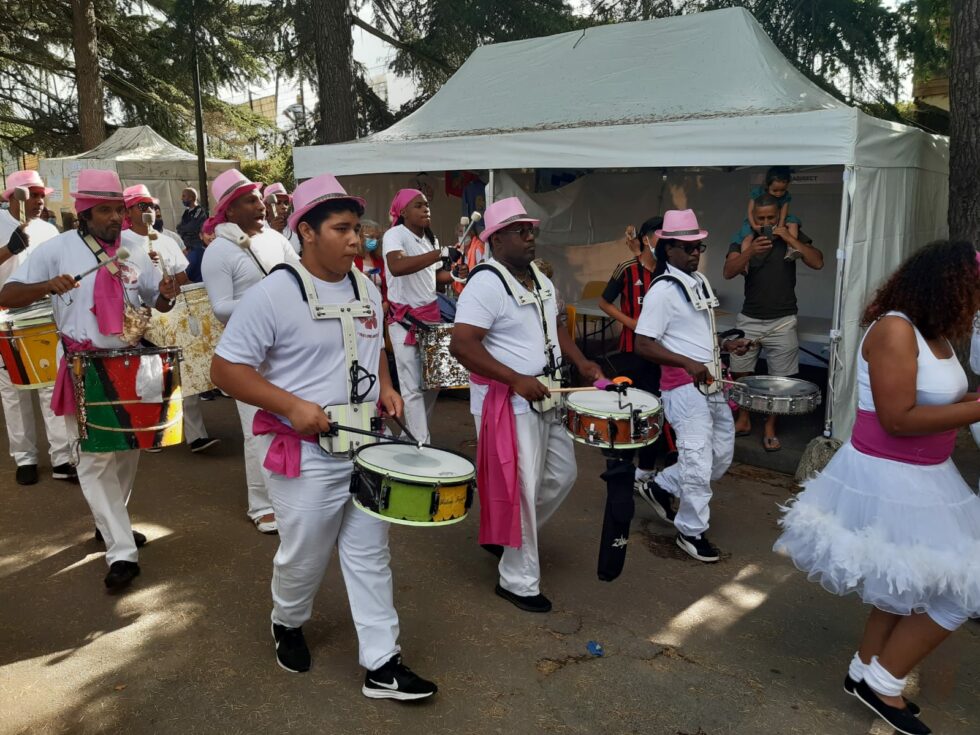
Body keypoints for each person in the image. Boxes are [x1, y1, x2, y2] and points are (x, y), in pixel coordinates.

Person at [210, 173, 437, 701]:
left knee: (370, 554)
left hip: (364, 447)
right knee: (304, 555)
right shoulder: (274, 293)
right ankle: (287, 621)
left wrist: (385, 387)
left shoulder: (365, 287)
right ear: (307, 232)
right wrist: (292, 406)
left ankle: (383, 663)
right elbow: (225, 370)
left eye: (357, 228)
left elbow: (374, 343)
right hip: (305, 455)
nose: (356, 239)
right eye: (342, 229)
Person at [774, 241, 980, 735]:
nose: (977, 304)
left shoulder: (936, 334)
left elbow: (945, 398)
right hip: (891, 477)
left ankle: (862, 671)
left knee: (901, 583)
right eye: (974, 291)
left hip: (928, 475)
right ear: (948, 286)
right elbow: (898, 418)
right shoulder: (894, 329)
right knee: (963, 590)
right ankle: (883, 682)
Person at [0, 169, 180, 590]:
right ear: (84, 213)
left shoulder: (137, 247)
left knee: (127, 452)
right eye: (104, 210)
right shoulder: (59, 248)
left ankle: (109, 523)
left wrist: (168, 291)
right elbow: (5, 296)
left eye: (119, 208)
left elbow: (158, 301)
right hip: (82, 363)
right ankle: (121, 551)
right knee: (95, 459)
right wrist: (46, 285)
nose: (115, 217)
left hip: (132, 362)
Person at [451, 196, 603, 613]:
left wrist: (582, 361)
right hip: (509, 401)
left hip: (548, 395)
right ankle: (517, 580)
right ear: (496, 239)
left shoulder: (538, 277)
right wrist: (515, 378)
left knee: (562, 475)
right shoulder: (486, 282)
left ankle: (506, 536)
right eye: (520, 231)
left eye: (531, 229)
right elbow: (461, 344)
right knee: (522, 487)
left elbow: (555, 328)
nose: (529, 237)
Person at [633, 209, 751, 563]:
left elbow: (694, 336)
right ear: (667, 249)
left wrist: (725, 347)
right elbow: (643, 343)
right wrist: (687, 363)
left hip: (710, 383)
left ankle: (659, 485)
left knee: (721, 457)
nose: (695, 252)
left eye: (698, 246)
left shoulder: (696, 280)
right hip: (683, 389)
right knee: (698, 462)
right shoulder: (663, 291)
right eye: (687, 247)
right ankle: (691, 532)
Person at [201, 169, 300, 535]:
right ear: (228, 210)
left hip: (288, 349)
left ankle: (289, 495)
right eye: (249, 200)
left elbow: (300, 276)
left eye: (259, 198)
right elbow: (220, 306)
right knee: (256, 430)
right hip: (247, 356)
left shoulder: (276, 239)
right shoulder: (218, 251)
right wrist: (266, 301)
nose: (261, 205)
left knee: (287, 422)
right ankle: (261, 504)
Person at [121, 184, 218, 455]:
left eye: (152, 205)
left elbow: (184, 273)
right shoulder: (121, 241)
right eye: (142, 206)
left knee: (183, 372)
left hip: (172, 313)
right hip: (139, 316)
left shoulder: (167, 240)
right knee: (150, 376)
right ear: (128, 210)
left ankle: (196, 435)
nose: (150, 210)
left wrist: (169, 282)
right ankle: (152, 433)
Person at [723, 193, 824, 452]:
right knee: (741, 373)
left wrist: (789, 237)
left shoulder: (791, 235)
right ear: (752, 218)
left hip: (783, 320)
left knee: (781, 379)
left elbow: (818, 261)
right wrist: (750, 252)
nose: (765, 222)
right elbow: (728, 271)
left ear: (779, 215)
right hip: (750, 318)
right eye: (761, 218)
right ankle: (744, 419)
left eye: (771, 217)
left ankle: (770, 427)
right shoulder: (744, 238)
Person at [0, 170, 75, 485]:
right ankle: (25, 457)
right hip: (4, 319)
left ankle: (62, 458)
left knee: (49, 385)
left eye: (42, 194)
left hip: (44, 317)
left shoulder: (49, 230)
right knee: (13, 391)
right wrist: (9, 249)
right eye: (32, 194)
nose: (39, 201)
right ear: (15, 197)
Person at [598, 217, 679, 484]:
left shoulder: (670, 272)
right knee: (630, 408)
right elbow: (604, 302)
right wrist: (631, 322)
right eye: (661, 236)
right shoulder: (627, 269)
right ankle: (622, 466)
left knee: (654, 409)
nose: (666, 243)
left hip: (659, 353)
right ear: (647, 239)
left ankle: (645, 471)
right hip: (631, 352)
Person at [382, 189, 453, 444]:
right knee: (411, 386)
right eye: (418, 205)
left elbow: (434, 279)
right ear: (402, 212)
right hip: (404, 321)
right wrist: (439, 254)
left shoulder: (430, 240)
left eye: (427, 205)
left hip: (430, 318)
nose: (426, 209)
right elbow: (397, 267)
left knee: (432, 384)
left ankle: (411, 435)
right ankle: (423, 443)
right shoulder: (394, 235)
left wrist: (456, 273)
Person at [739, 166, 800, 245]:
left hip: (778, 219)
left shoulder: (786, 197)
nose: (779, 193)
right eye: (775, 190)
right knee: (748, 238)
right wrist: (754, 226)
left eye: (782, 190)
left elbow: (783, 215)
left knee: (793, 223)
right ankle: (746, 254)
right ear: (768, 186)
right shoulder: (758, 192)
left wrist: (779, 228)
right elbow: (750, 211)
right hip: (754, 219)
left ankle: (791, 248)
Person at [354, 218, 387, 312]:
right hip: (359, 308)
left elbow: (388, 288)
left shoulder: (380, 261)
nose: (375, 241)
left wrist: (386, 303)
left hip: (379, 308)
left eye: (377, 238)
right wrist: (360, 277)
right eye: (371, 237)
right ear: (359, 237)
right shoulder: (351, 259)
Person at [177, 187, 207, 282]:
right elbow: (179, 228)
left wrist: (184, 229)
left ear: (191, 197)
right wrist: (184, 229)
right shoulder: (186, 212)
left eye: (184, 196)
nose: (182, 198)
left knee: (192, 274)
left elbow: (192, 226)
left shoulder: (199, 210)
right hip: (187, 248)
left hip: (196, 247)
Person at [263, 183, 301, 254]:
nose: (284, 206)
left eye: (286, 203)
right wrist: (274, 233)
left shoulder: (296, 226)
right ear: (267, 207)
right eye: (278, 203)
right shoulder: (260, 229)